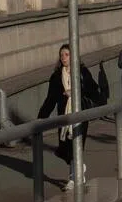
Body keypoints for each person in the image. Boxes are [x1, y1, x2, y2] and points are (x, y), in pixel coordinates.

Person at [38, 43, 100, 192]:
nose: (63, 58)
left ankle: (73, 179)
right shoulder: (56, 76)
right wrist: (41, 117)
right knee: (64, 148)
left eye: (66, 55)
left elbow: (93, 89)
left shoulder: (82, 72)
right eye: (61, 55)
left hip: (80, 114)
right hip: (64, 116)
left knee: (75, 147)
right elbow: (50, 99)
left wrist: (77, 91)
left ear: (73, 56)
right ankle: (79, 168)